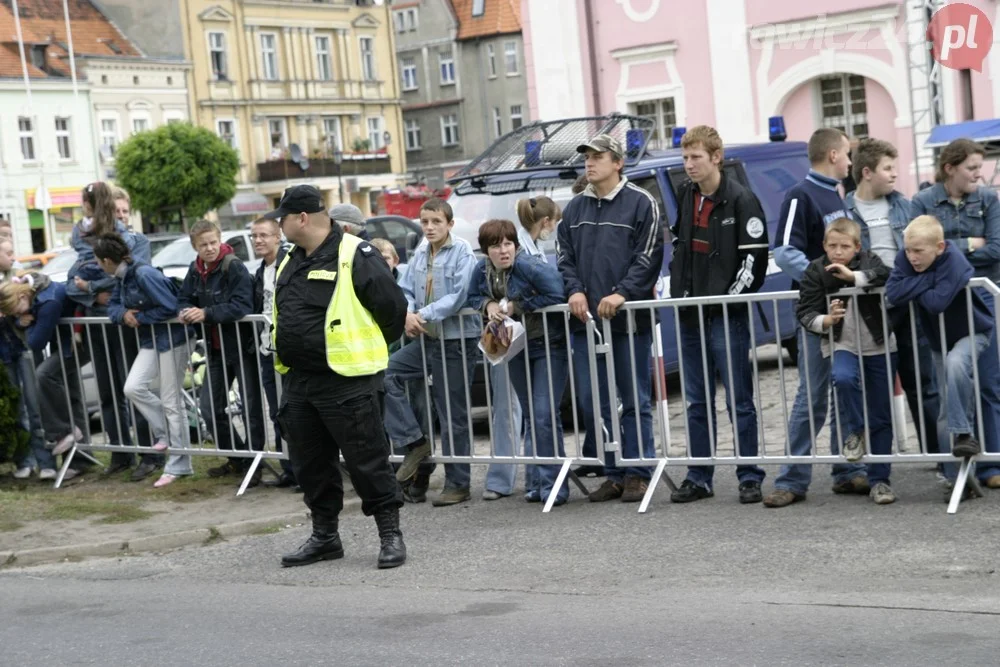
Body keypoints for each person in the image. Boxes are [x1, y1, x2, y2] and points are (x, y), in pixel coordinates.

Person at [266, 185, 407, 569]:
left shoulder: (355, 253)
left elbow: (392, 308)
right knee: (311, 465)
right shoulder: (288, 258)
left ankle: (390, 535)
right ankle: (325, 537)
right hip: (300, 380)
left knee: (368, 461)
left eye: (283, 217)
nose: (278, 224)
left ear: (302, 218)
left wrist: (369, 348)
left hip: (347, 380)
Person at [764, 128, 868, 508]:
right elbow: (785, 251)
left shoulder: (835, 194)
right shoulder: (800, 194)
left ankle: (845, 469)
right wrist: (824, 276)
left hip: (847, 311)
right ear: (834, 155)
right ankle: (791, 478)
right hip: (816, 310)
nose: (851, 162)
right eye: (847, 154)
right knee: (812, 397)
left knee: (843, 389)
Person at [558, 133, 663, 503]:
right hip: (585, 323)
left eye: (597, 156)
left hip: (627, 321)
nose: (589, 162)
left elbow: (649, 255)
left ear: (617, 162)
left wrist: (622, 293)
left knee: (634, 397)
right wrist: (574, 289)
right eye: (586, 156)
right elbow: (564, 257)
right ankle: (613, 469)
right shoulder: (573, 209)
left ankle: (638, 471)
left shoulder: (641, 202)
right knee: (592, 399)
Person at [668, 125, 768, 504]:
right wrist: (679, 294)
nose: (689, 165)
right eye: (685, 158)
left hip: (727, 314)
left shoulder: (742, 199)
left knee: (739, 399)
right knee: (696, 400)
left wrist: (727, 300)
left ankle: (749, 474)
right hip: (690, 313)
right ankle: (699, 475)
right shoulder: (684, 194)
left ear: (716, 157)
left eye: (696, 158)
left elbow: (754, 260)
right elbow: (680, 246)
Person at [886, 216, 997, 500]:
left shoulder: (954, 258)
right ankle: (955, 478)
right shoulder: (907, 256)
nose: (911, 257)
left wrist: (917, 284)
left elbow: (936, 303)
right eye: (908, 250)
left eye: (918, 251)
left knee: (956, 364)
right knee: (945, 409)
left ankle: (962, 435)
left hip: (973, 331)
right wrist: (932, 281)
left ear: (939, 246)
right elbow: (894, 293)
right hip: (939, 340)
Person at [910, 138, 1000, 487]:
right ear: (950, 168)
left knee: (990, 382)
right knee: (946, 382)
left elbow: (995, 249)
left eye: (980, 167)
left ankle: (991, 464)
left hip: (984, 298)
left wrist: (948, 250)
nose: (979, 174)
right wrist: (966, 246)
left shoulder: (989, 200)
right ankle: (954, 467)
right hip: (941, 303)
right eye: (972, 168)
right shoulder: (924, 201)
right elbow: (921, 252)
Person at [845, 138, 939, 459]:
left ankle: (937, 455)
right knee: (875, 386)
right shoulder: (844, 211)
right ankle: (877, 462)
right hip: (869, 309)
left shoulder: (905, 206)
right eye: (888, 169)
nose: (894, 175)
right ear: (867, 172)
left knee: (923, 381)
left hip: (908, 303)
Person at [384, 198, 480, 506]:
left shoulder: (463, 250)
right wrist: (408, 313)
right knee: (387, 374)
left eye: (436, 221)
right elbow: (406, 289)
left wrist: (422, 315)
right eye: (424, 221)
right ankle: (416, 442)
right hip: (427, 338)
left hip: (455, 339)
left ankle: (458, 483)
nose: (429, 227)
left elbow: (459, 295)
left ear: (449, 224)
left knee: (453, 412)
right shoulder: (420, 252)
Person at [469, 219, 570, 505]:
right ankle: (538, 483)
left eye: (508, 243)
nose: (503, 251)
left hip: (549, 345)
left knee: (543, 414)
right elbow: (472, 294)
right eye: (495, 245)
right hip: (515, 347)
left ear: (515, 244)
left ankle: (554, 488)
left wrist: (518, 304)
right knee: (532, 414)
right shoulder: (482, 269)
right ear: (486, 250)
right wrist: (487, 304)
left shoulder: (528, 266)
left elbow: (557, 291)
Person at [796, 218, 897, 504]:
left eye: (844, 247)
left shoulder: (869, 260)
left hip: (879, 344)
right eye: (832, 246)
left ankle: (880, 480)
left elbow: (885, 274)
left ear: (857, 247)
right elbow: (804, 311)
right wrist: (826, 320)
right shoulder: (816, 269)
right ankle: (856, 430)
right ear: (824, 245)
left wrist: (853, 278)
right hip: (841, 343)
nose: (837, 252)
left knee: (881, 414)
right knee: (842, 378)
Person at [68, 182, 160, 481]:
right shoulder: (84, 240)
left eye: (124, 212)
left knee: (134, 388)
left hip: (127, 322)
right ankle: (121, 454)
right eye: (115, 209)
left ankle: (151, 454)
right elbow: (71, 284)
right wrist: (94, 296)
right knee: (108, 391)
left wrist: (93, 286)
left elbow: (132, 273)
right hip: (99, 323)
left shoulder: (134, 239)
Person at [96, 234, 194, 488]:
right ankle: (165, 434)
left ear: (107, 260)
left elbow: (172, 306)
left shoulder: (143, 274)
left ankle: (180, 464)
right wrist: (125, 314)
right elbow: (113, 307)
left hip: (174, 338)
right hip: (153, 339)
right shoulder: (123, 276)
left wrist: (141, 318)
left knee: (172, 401)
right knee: (133, 387)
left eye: (99, 261)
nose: (98, 266)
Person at [177, 220, 264, 486]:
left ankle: (256, 463)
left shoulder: (233, 266)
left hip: (240, 345)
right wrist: (184, 311)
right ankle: (236, 457)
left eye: (213, 242)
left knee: (251, 407)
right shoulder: (196, 268)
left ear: (220, 239)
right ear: (195, 246)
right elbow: (184, 298)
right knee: (209, 408)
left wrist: (206, 313)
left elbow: (241, 305)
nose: (210, 248)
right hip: (214, 348)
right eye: (203, 244)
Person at [0, 273, 85, 480]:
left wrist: (27, 323)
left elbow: (37, 342)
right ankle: (77, 456)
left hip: (76, 342)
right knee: (64, 392)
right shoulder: (34, 297)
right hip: (63, 344)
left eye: (13, 310)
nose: (14, 314)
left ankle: (65, 435)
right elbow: (25, 326)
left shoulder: (48, 300)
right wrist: (21, 322)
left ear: (21, 297)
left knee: (43, 381)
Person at [250, 216, 296, 488]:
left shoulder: (291, 263)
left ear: (278, 237)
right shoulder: (259, 271)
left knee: (294, 412)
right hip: (267, 351)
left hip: (289, 350)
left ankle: (304, 469)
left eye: (264, 235)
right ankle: (288, 468)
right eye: (255, 235)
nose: (258, 240)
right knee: (277, 413)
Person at [0, 239, 51, 479]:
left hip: (23, 348)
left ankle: (46, 462)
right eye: (8, 252)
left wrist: (20, 318)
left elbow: (42, 281)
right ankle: (25, 460)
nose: (13, 256)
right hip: (4, 354)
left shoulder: (18, 274)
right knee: (17, 409)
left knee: (35, 406)